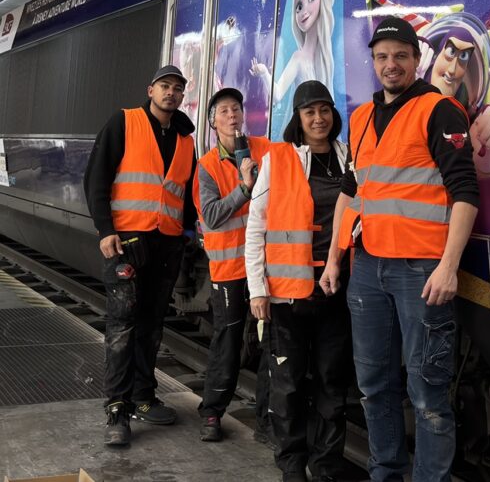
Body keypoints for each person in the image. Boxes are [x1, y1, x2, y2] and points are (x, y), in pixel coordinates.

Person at [320, 17, 480, 482]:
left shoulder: (440, 111)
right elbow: (351, 192)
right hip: (368, 266)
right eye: (382, 57)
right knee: (373, 386)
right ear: (373, 62)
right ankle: (385, 474)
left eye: (400, 56)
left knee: (427, 392)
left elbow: (465, 192)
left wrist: (448, 267)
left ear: (416, 59)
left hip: (420, 271)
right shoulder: (361, 118)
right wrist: (333, 259)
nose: (391, 65)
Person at [84, 65, 197, 446]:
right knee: (123, 326)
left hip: (166, 246)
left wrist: (187, 232)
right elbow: (96, 178)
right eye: (165, 86)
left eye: (177, 88)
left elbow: (186, 193)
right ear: (151, 90)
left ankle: (143, 397)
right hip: (126, 243)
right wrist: (105, 230)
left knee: (151, 326)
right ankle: (117, 409)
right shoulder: (124, 122)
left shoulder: (185, 139)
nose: (171, 93)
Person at [246, 80, 350, 482]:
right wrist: (257, 290)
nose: (318, 118)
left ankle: (325, 464)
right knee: (288, 383)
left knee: (332, 383)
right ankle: (291, 462)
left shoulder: (348, 157)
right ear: (298, 118)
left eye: (324, 110)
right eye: (310, 112)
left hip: (336, 291)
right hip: (288, 296)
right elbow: (257, 226)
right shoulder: (279, 159)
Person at [193, 87, 270, 442]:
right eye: (223, 111)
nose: (232, 115)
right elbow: (211, 216)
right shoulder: (207, 167)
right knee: (227, 341)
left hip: (267, 267)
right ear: (213, 122)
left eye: (236, 108)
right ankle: (212, 412)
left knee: (272, 344)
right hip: (230, 271)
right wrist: (244, 188)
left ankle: (267, 420)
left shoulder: (265, 151)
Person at [250, 0, 335, 127]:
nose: (304, 11)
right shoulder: (298, 58)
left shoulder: (325, 58)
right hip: (303, 135)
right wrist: (264, 73)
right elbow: (277, 95)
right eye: (298, 6)